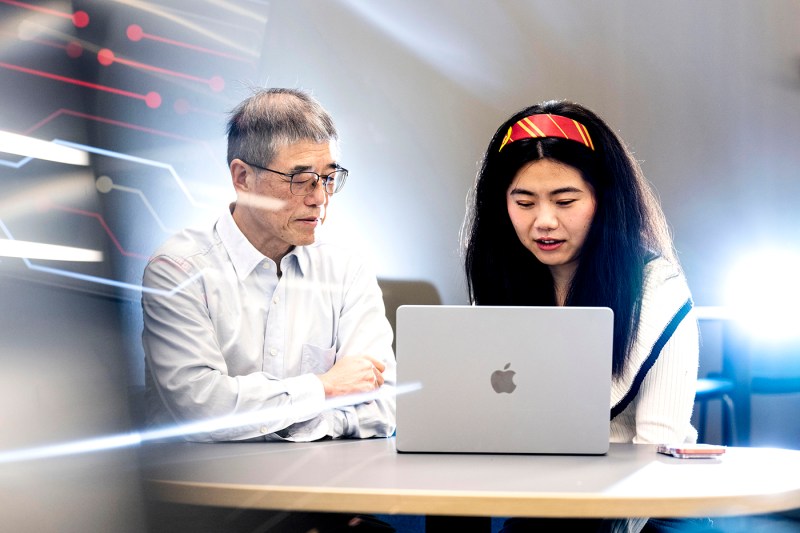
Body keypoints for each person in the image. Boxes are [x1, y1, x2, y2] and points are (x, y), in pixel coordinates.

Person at [141, 88, 396, 532]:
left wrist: (262, 416)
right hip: (208, 506)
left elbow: (382, 407)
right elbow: (203, 409)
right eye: (301, 179)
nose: (320, 198)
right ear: (242, 177)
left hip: (325, 499)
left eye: (329, 177)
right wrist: (325, 388)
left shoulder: (346, 268)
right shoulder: (178, 269)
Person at [462, 101, 715, 533]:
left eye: (565, 201)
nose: (544, 221)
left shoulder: (657, 288)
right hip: (553, 503)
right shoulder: (503, 281)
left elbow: (656, 452)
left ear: (604, 200)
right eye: (524, 202)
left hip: (653, 506)